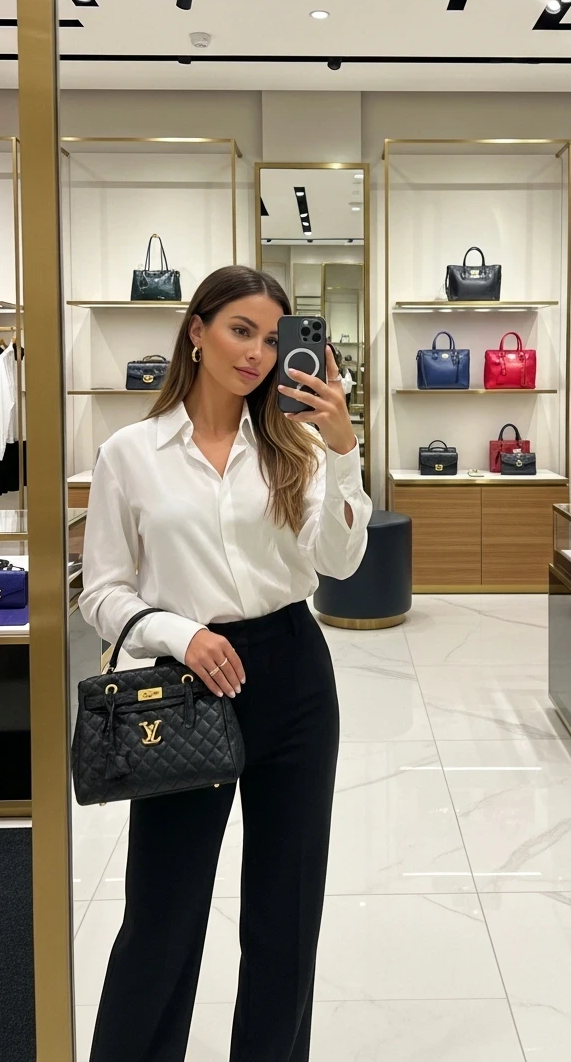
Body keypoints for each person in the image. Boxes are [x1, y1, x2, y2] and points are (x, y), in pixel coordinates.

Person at [79, 265, 372, 1062]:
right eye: (242, 330)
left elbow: (340, 563)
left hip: (293, 674)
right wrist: (178, 633)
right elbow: (100, 591)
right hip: (184, 686)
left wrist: (344, 451)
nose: (258, 353)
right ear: (197, 331)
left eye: (273, 339)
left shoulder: (294, 447)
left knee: (287, 910)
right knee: (162, 915)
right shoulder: (130, 453)